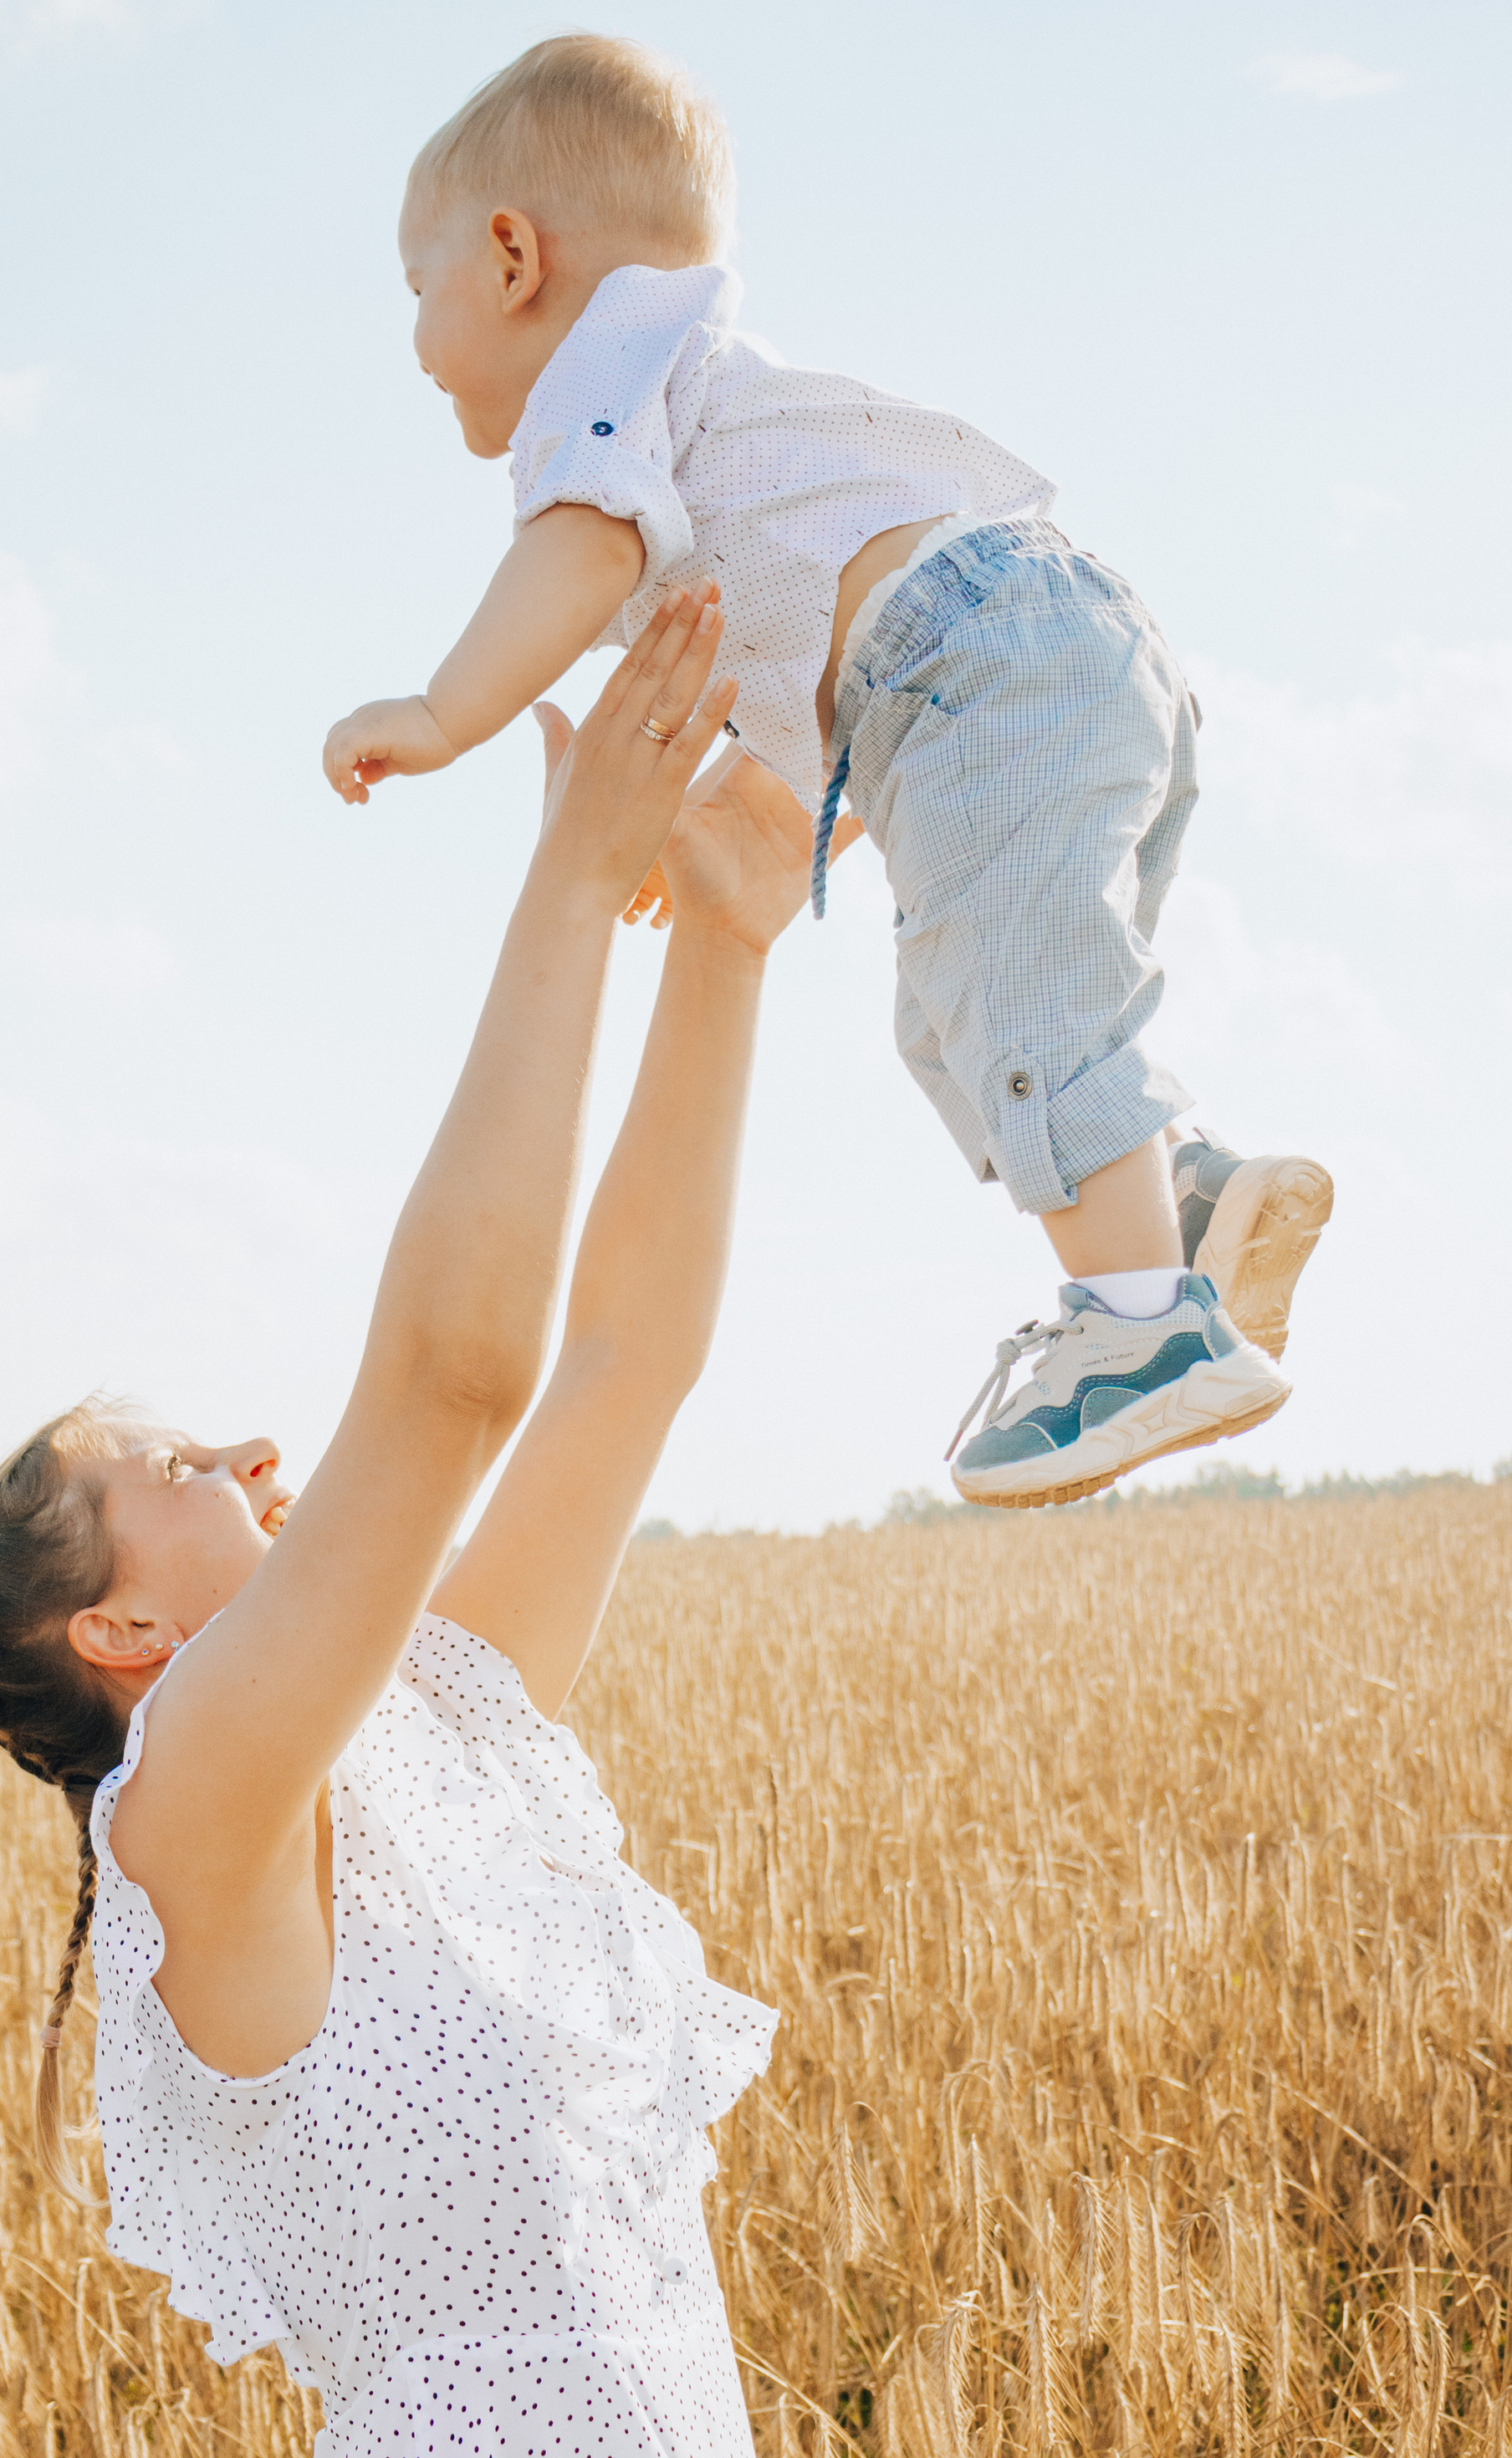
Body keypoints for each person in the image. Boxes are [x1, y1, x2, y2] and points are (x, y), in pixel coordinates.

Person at [0, 593, 828, 2458]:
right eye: (183, 1462)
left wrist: (728, 958)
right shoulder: (194, 1806)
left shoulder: (421, 1726)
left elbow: (623, 1364)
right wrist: (562, 873)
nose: (250, 1441)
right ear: (127, 1628)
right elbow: (456, 1378)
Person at [322, 33, 1335, 1513]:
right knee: (970, 1012)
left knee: (1012, 1003)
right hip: (1038, 653)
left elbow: (586, 542)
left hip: (976, 654)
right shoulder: (709, 391)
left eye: (417, 292)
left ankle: (1139, 1334)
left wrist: (445, 708)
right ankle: (1185, 1199)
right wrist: (760, 816)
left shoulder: (602, 377)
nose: (414, 342)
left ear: (511, 254)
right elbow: (821, 649)